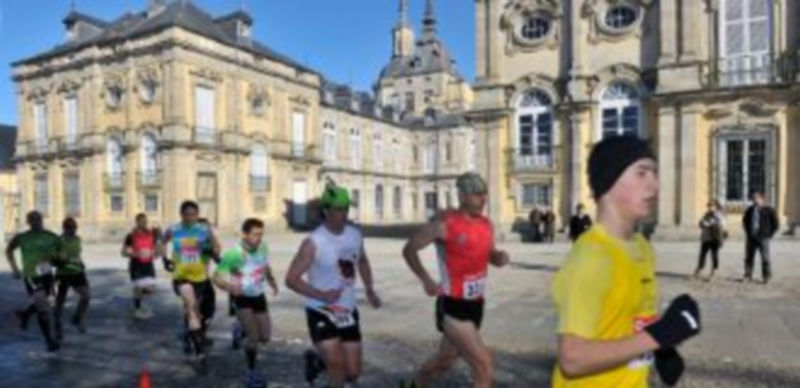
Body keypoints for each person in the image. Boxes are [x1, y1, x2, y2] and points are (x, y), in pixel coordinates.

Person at [552, 136, 702, 387]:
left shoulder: (641, 247)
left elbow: (631, 318)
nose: (654, 186)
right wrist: (661, 334)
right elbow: (572, 359)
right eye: (641, 174)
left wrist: (663, 350)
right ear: (608, 182)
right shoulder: (592, 258)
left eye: (654, 174)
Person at [400, 172, 510, 388]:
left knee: (445, 361)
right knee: (484, 366)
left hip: (476, 305)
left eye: (484, 194)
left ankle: (414, 384)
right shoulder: (445, 224)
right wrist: (426, 279)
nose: (483, 199)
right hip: (453, 307)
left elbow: (489, 254)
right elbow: (409, 249)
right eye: (477, 195)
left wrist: (498, 257)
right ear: (463, 196)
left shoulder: (487, 224)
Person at [285, 185, 382, 388]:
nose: (343, 214)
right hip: (320, 309)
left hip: (347, 309)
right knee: (337, 367)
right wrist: (321, 294)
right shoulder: (313, 242)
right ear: (326, 210)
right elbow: (291, 279)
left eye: (346, 208)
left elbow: (362, 261)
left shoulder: (355, 235)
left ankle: (317, 361)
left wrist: (370, 289)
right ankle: (327, 364)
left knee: (353, 372)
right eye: (338, 209)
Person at [213, 218, 279, 387]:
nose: (259, 238)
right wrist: (229, 287)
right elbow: (216, 277)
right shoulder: (234, 254)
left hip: (258, 296)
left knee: (265, 336)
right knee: (254, 337)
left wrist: (272, 281)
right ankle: (251, 373)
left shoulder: (263, 247)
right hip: (241, 298)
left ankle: (239, 329)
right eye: (256, 234)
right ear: (244, 234)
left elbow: (265, 265)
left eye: (261, 234)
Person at [159, 201, 220, 359]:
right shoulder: (174, 229)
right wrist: (164, 258)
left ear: (197, 215)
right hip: (181, 276)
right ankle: (199, 349)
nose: (190, 218)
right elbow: (162, 241)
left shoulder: (204, 230)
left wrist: (216, 256)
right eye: (187, 214)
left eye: (193, 214)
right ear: (181, 215)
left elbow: (216, 247)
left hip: (199, 277)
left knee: (197, 311)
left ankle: (192, 336)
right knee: (192, 307)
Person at [5, 211, 61, 351]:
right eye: (33, 220)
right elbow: (9, 250)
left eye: (38, 219)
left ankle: (25, 314)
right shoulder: (22, 237)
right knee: (43, 308)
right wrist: (15, 268)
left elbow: (60, 254)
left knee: (50, 304)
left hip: (46, 273)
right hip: (31, 275)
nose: (36, 222)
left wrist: (56, 262)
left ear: (42, 220)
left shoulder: (51, 236)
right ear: (28, 222)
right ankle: (49, 341)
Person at [53, 217, 91, 341]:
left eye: (74, 227)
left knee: (86, 296)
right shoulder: (59, 241)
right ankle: (57, 326)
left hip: (77, 272)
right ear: (64, 228)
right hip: (63, 273)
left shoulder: (77, 239)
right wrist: (60, 258)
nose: (72, 230)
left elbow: (78, 254)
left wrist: (81, 262)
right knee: (60, 301)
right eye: (69, 228)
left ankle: (77, 317)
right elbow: (52, 258)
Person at [122, 213, 159, 319]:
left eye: (145, 221)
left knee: (151, 289)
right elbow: (123, 252)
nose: (144, 223)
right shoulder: (131, 236)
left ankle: (136, 293)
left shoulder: (151, 234)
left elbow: (156, 248)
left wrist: (155, 253)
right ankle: (137, 308)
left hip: (148, 264)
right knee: (138, 288)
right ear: (137, 222)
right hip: (136, 265)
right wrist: (134, 254)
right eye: (141, 221)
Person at [742, 191, 779, 284]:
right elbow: (745, 221)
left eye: (756, 198)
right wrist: (748, 232)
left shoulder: (769, 210)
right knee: (749, 257)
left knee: (765, 258)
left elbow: (776, 224)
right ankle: (748, 275)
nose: (754, 200)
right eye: (753, 198)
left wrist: (769, 234)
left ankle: (766, 276)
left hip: (763, 237)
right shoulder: (750, 210)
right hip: (751, 237)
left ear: (762, 199)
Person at [694, 200, 726, 280]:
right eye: (709, 206)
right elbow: (702, 223)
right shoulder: (707, 214)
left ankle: (714, 271)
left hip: (715, 238)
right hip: (706, 238)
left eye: (711, 206)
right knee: (702, 255)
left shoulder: (719, 215)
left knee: (714, 255)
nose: (710, 207)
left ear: (716, 207)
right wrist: (702, 223)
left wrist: (708, 223)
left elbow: (722, 224)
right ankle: (699, 269)